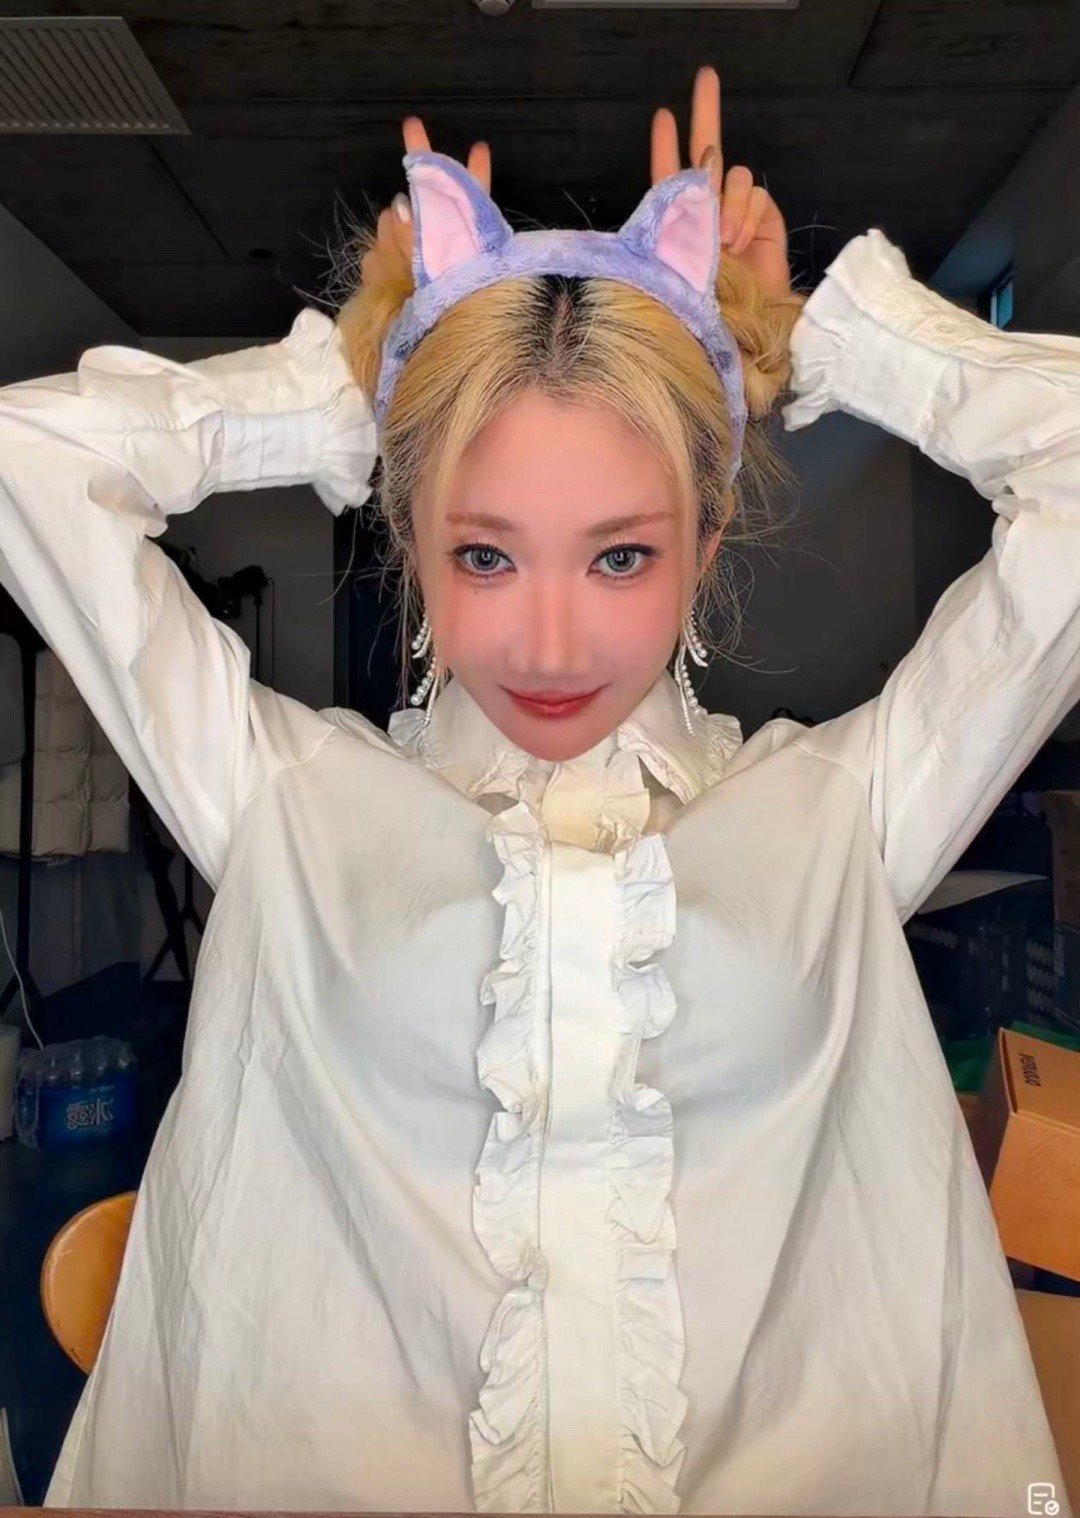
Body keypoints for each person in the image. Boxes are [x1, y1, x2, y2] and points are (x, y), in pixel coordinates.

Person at [1, 62, 1075, 1518]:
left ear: (703, 547)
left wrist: (822, 339)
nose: (552, 646)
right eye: (485, 554)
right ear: (413, 542)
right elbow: (28, 462)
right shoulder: (280, 800)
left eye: (622, 555)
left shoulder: (846, 809)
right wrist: (347, 386)